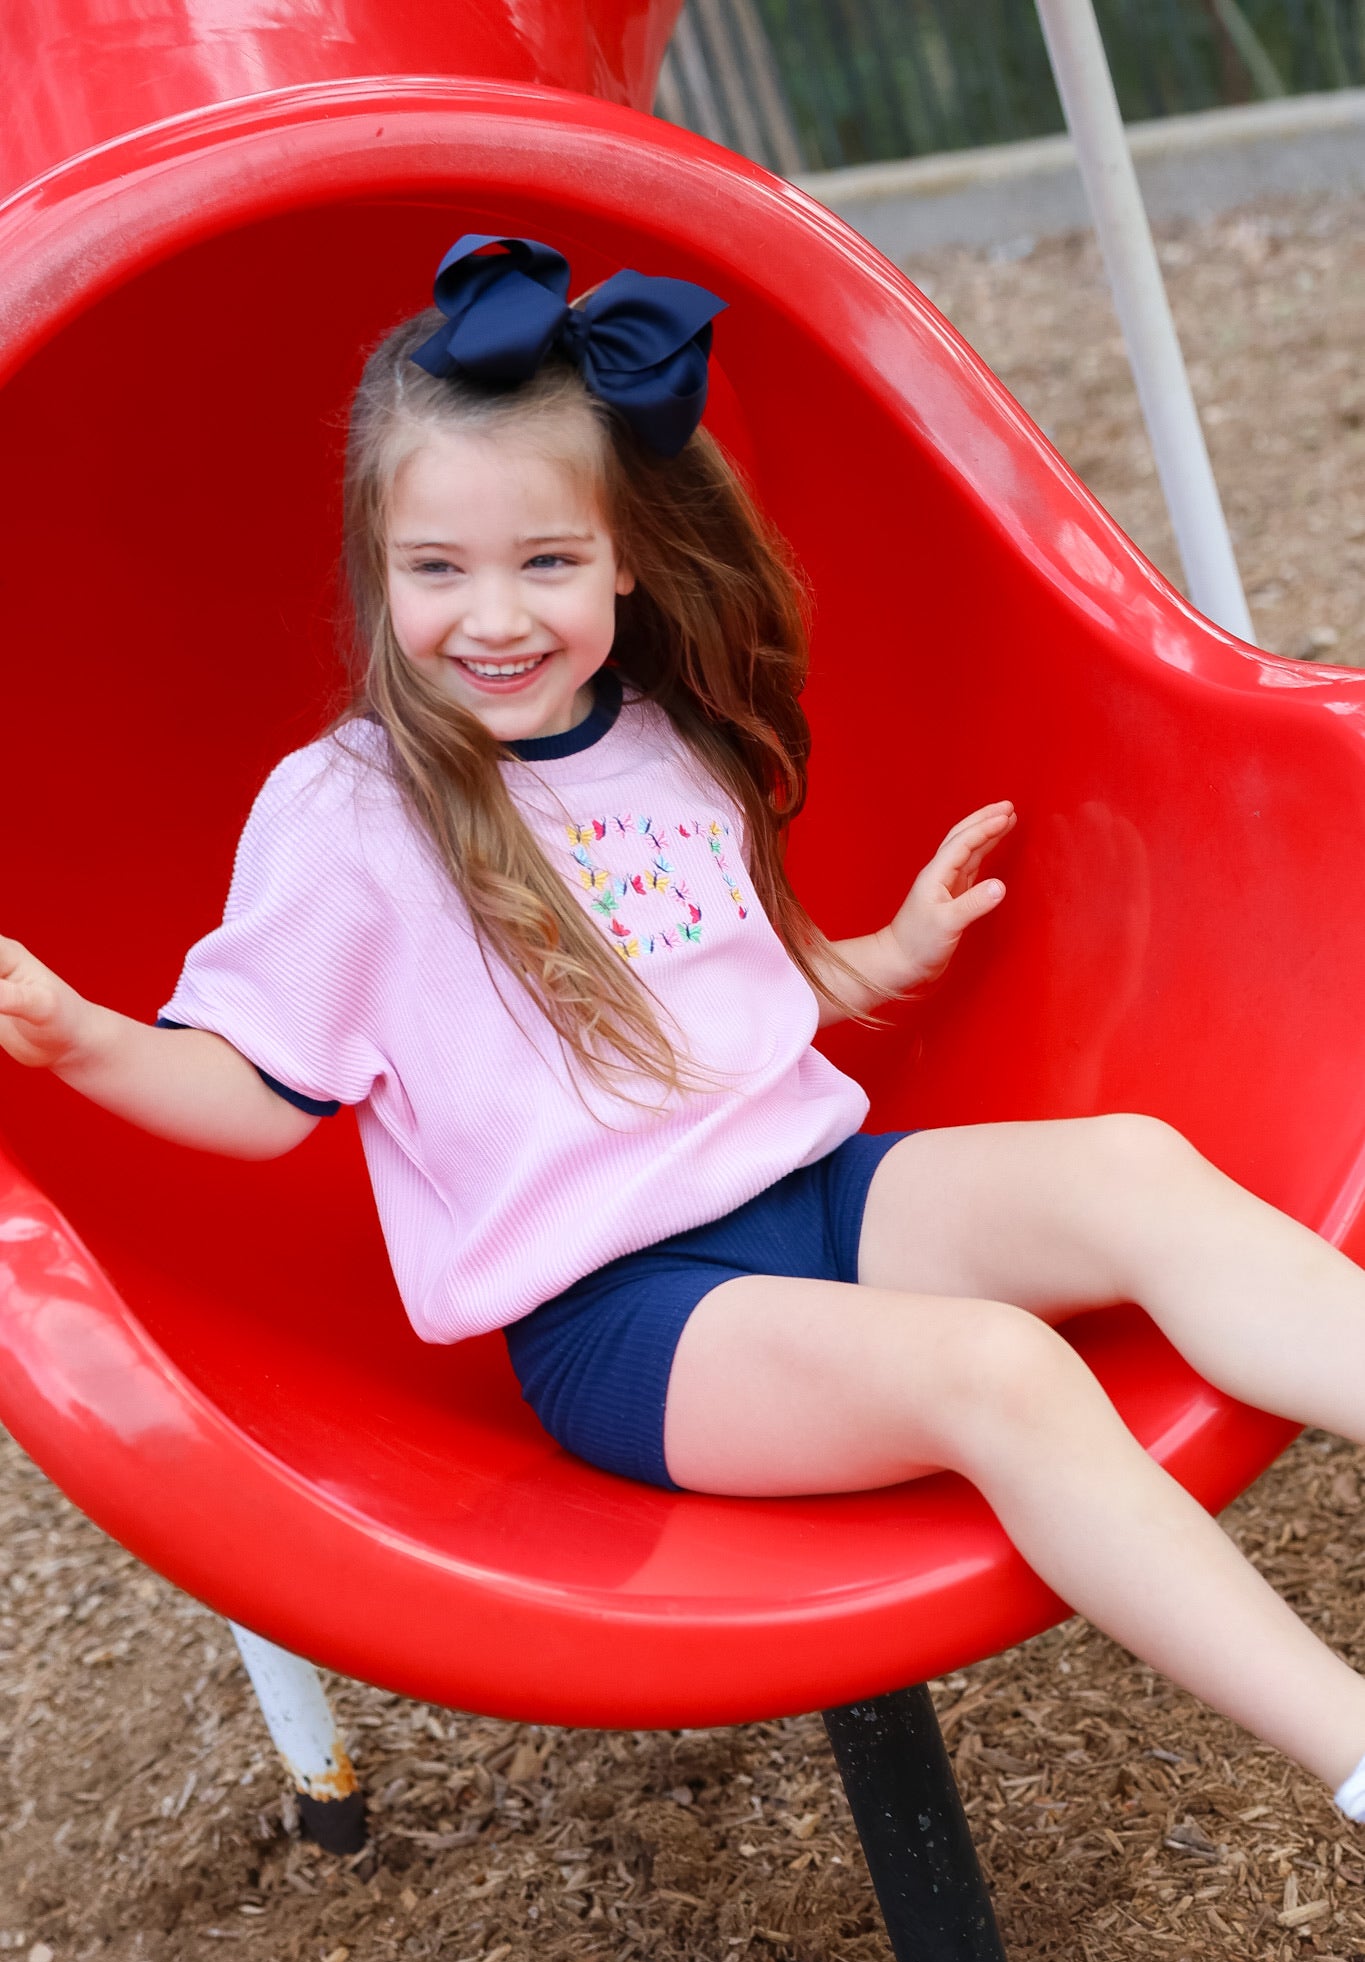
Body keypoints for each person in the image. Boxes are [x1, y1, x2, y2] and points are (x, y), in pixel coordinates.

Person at [5, 232, 1365, 1826]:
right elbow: (263, 1091)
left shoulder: (656, 743)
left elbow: (716, 994)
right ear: (377, 566)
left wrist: (883, 956)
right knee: (999, 1372)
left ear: (624, 559)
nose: (491, 616)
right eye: (435, 569)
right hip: (626, 1318)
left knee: (1133, 1168)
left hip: (813, 1194)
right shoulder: (350, 813)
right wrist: (87, 1039)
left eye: (545, 562)